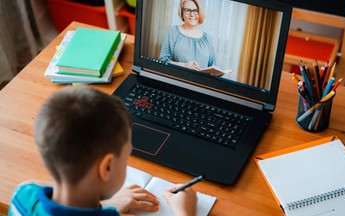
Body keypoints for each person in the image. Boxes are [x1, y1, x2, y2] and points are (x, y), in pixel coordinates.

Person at [9, 85, 197, 215]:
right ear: (106, 167)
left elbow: (33, 183)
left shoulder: (23, 195)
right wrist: (183, 212)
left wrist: (107, 205)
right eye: (126, 157)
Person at [160, 0, 216, 71]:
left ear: (200, 12)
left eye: (195, 10)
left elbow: (213, 66)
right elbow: (163, 61)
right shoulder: (172, 32)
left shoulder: (208, 38)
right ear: (182, 13)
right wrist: (184, 65)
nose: (192, 14)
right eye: (187, 10)